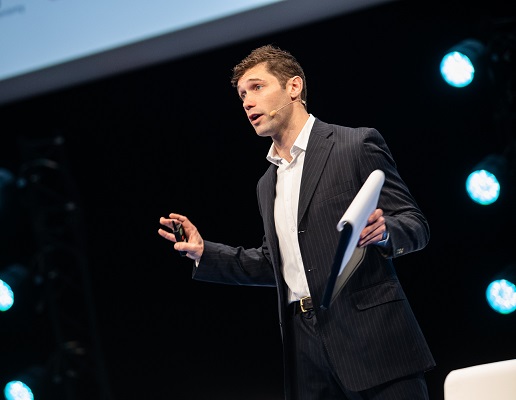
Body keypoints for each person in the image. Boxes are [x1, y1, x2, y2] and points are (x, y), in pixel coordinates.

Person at [158, 44, 435, 400]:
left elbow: (415, 224)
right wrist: (204, 252)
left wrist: (385, 233)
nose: (247, 102)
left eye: (257, 87)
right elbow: (274, 265)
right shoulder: (266, 184)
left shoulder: (354, 145)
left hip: (374, 339)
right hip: (305, 351)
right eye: (242, 95)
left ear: (293, 87)